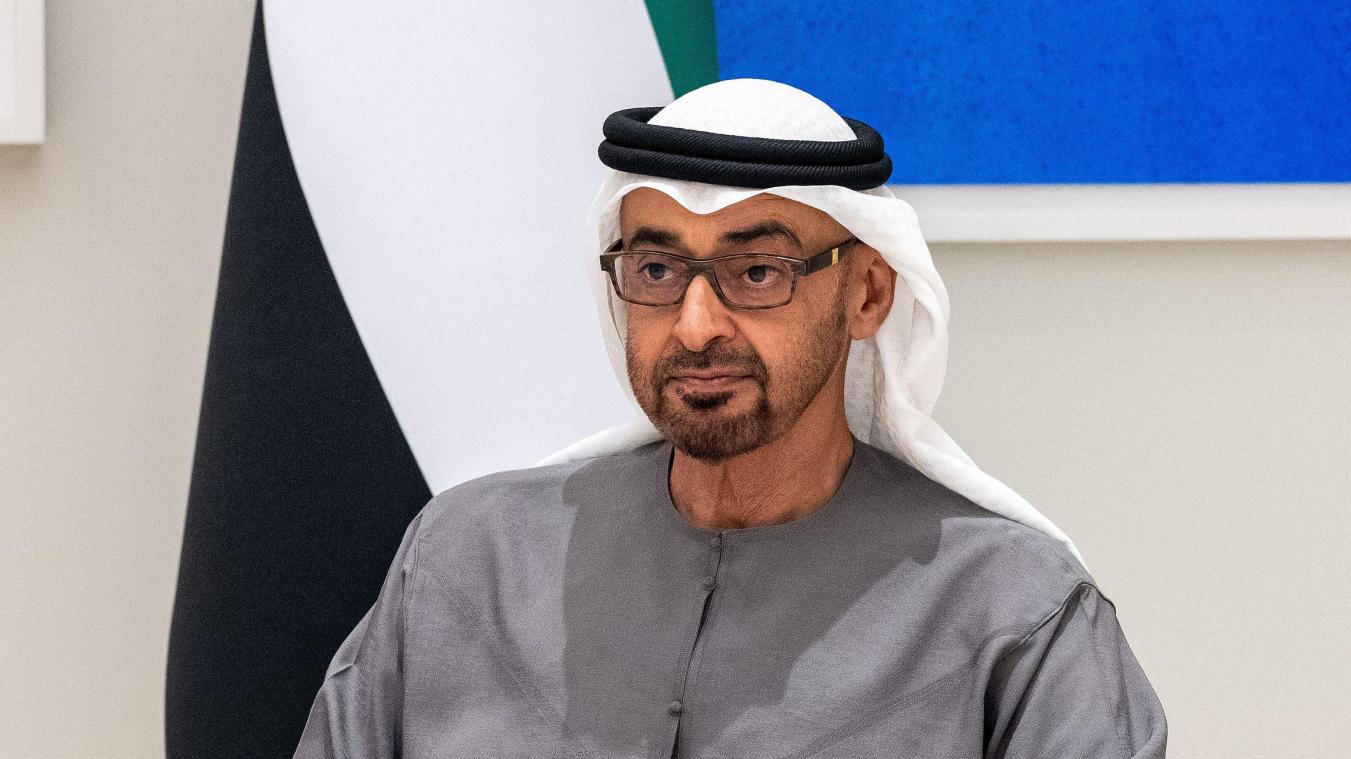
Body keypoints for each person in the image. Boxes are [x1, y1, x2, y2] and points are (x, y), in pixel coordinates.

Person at [293, 79, 1167, 758]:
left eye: (757, 272)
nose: (695, 324)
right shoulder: (466, 560)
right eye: (657, 269)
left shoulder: (1014, 609)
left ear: (866, 294)